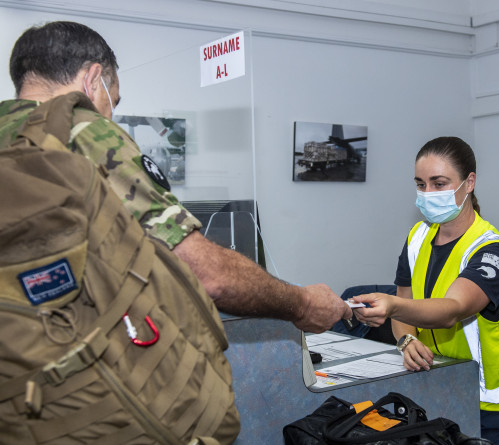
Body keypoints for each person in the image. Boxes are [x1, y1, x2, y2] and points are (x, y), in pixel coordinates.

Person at [0, 20, 352, 332]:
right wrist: (303, 303)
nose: (110, 115)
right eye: (114, 101)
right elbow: (207, 274)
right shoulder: (84, 132)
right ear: (93, 80)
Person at [351, 137, 499, 444]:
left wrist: (392, 306)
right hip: (436, 389)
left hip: (492, 407)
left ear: (469, 182)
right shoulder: (418, 237)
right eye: (421, 184)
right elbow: (406, 304)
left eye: (439, 183)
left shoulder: (493, 252)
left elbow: (453, 309)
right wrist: (406, 340)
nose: (427, 193)